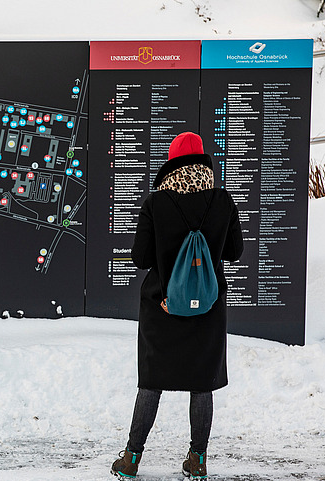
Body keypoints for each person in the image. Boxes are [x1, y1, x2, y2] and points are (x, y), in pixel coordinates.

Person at [111, 132, 244, 479]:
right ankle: (197, 460)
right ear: (203, 162)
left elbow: (140, 257)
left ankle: (131, 459)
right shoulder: (223, 201)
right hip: (208, 309)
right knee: (202, 382)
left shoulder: (156, 203)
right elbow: (234, 252)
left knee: (152, 382)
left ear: (171, 164)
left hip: (162, 307)